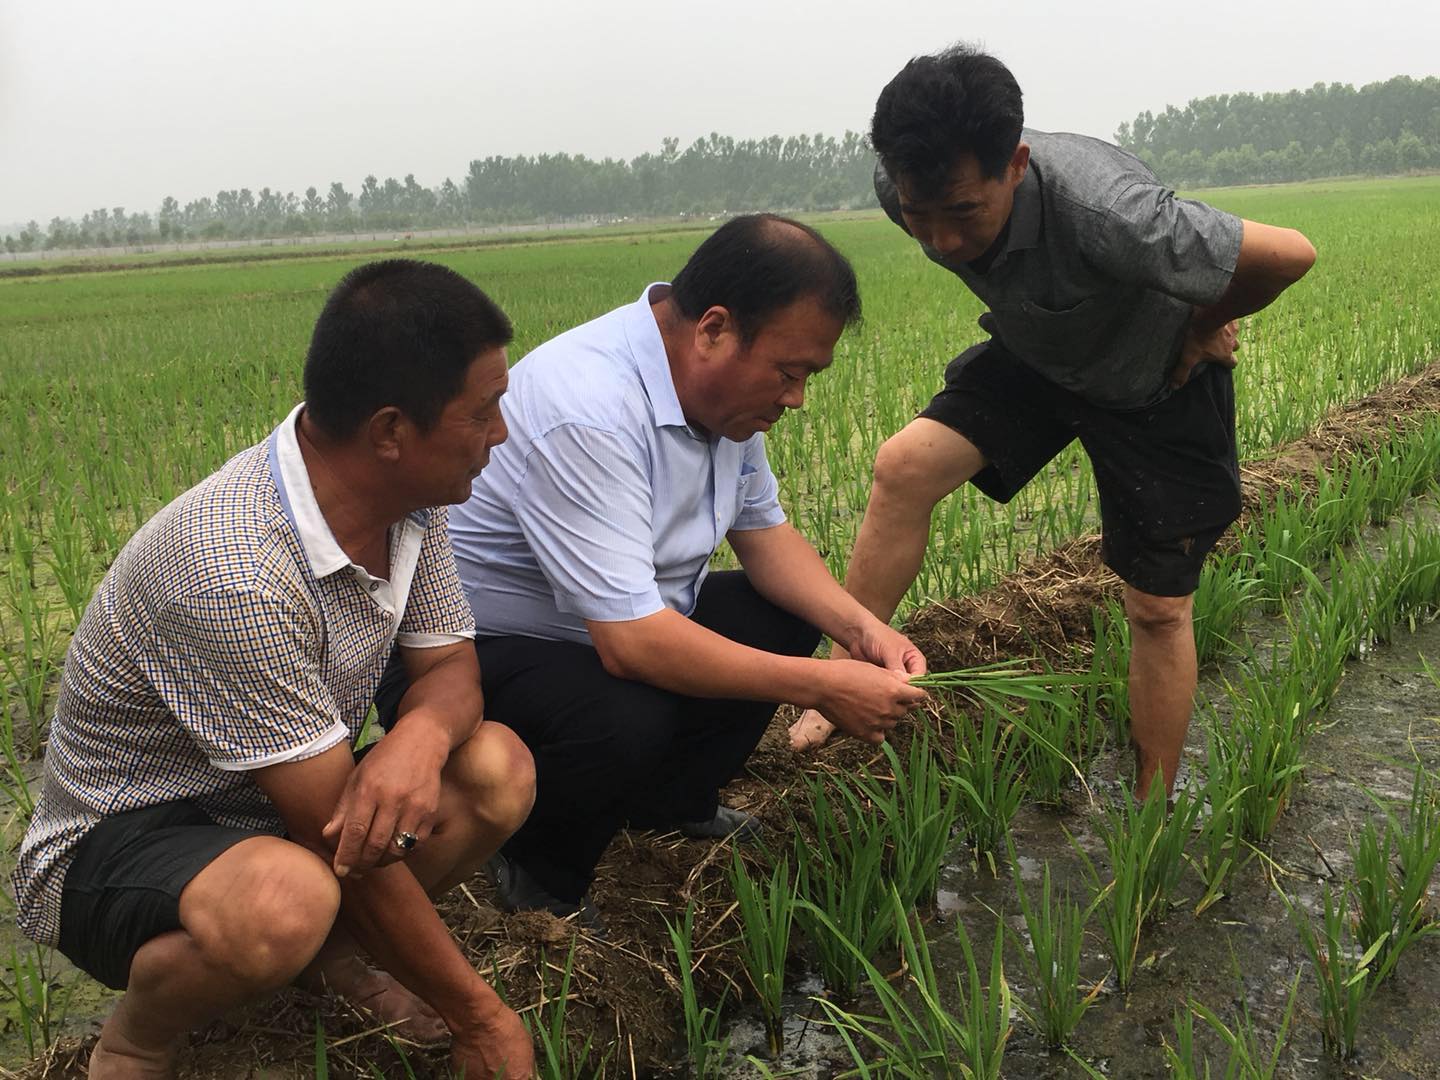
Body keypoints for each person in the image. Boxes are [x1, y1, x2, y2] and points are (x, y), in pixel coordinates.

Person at [12, 260, 536, 1080]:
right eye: (483, 412)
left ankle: (332, 962)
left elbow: (451, 667)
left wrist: (422, 734)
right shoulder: (233, 570)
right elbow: (337, 829)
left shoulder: (411, 505)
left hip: (277, 813)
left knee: (493, 767)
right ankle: (136, 1042)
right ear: (391, 431)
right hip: (120, 843)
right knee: (286, 898)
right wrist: (485, 1022)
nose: (499, 433)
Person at [788, 45, 1316, 799]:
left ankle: (1149, 814)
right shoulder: (898, 183)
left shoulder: (1112, 215)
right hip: (1041, 353)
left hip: (1153, 382)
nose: (939, 240)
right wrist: (941, 216)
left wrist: (1207, 321)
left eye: (962, 214)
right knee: (904, 468)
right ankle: (843, 676)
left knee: (1159, 608)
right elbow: (937, 214)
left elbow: (1292, 254)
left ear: (1017, 164)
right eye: (920, 216)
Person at [376, 214, 929, 925]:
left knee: (783, 614)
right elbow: (631, 644)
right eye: (788, 374)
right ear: (714, 330)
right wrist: (822, 684)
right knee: (626, 710)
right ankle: (541, 874)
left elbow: (765, 535)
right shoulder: (590, 406)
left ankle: (670, 804)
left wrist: (863, 631)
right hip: (475, 661)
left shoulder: (724, 403)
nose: (795, 398)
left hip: (612, 631)